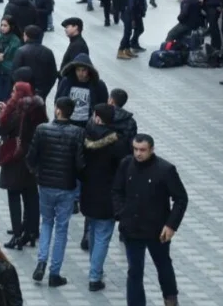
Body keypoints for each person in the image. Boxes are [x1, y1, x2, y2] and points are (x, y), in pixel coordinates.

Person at [112, 134, 189, 306]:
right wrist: (120, 213)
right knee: (134, 271)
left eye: (142, 150)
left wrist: (171, 225)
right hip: (131, 227)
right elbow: (117, 190)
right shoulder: (126, 164)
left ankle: (170, 299)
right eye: (135, 149)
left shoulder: (165, 169)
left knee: (163, 265)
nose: (138, 154)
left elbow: (181, 199)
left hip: (157, 230)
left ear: (151, 150)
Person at [25, 96, 85, 288]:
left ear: (57, 109)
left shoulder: (42, 129)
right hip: (66, 187)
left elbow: (31, 157)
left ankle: (41, 261)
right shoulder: (78, 133)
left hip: (45, 185)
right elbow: (80, 164)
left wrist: (36, 173)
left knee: (47, 223)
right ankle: (54, 272)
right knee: (61, 229)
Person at [81, 103, 129, 292]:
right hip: (108, 195)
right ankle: (95, 275)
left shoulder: (85, 134)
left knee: (93, 231)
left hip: (89, 191)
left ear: (97, 117)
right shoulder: (118, 143)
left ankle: (95, 269)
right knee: (102, 235)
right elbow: (124, 170)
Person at [0, 82, 47, 251]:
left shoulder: (17, 110)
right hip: (32, 156)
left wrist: (4, 111)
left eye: (13, 91)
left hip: (15, 156)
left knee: (13, 195)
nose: (11, 94)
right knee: (31, 195)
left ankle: (17, 234)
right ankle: (31, 232)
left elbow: (2, 129)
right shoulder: (38, 108)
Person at [53, 54, 108, 129]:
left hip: (87, 124)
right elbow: (58, 99)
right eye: (78, 70)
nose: (80, 73)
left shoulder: (98, 85)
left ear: (89, 70)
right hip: (68, 122)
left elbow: (104, 104)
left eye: (83, 70)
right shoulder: (66, 82)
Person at [0, 18, 21, 106]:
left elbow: (12, 56)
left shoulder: (16, 41)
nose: (2, 28)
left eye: (5, 25)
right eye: (1, 25)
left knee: (6, 100)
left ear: (11, 26)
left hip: (8, 73)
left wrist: (2, 57)